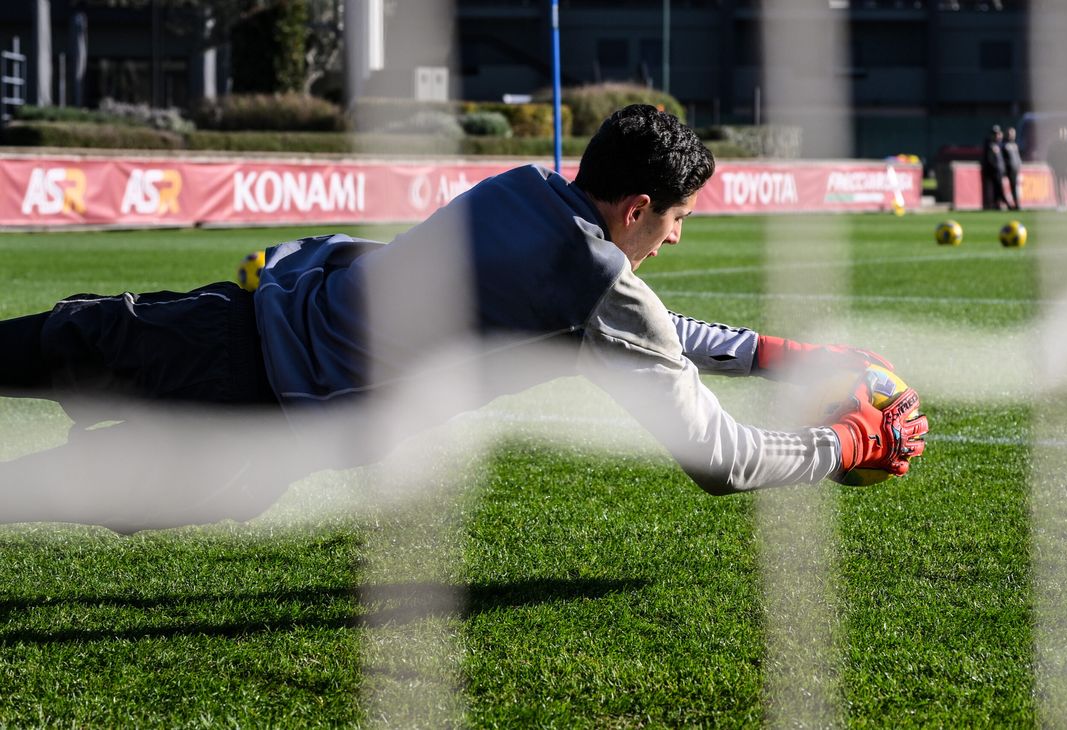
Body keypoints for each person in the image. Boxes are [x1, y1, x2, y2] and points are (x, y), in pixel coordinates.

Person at [0, 105, 927, 531]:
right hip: (262, 418)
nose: (676, 241)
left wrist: (770, 352)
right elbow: (721, 462)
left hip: (220, 318)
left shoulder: (523, 187)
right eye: (678, 219)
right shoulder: (601, 288)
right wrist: (848, 444)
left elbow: (633, 322)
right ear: (639, 206)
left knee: (36, 344)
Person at [1046, 126, 1067, 211]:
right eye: (1060, 132)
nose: (1062, 134)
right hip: (1057, 169)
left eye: (1063, 132)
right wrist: (1053, 167)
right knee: (1059, 188)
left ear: (1066, 133)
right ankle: (1061, 205)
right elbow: (1049, 156)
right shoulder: (1054, 143)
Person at [981, 125, 1007, 210]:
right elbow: (989, 158)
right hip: (991, 171)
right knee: (991, 189)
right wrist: (994, 167)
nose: (996, 135)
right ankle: (991, 205)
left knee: (998, 189)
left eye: (998, 134)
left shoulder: (999, 144)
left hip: (998, 171)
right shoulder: (989, 144)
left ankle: (998, 204)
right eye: (995, 134)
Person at [1002, 126, 1022, 210]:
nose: (1012, 135)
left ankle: (1016, 204)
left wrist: (1019, 165)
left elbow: (1017, 158)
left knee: (1015, 188)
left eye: (1013, 134)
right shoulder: (1004, 145)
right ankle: (1012, 204)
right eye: (1010, 134)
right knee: (1009, 188)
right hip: (1008, 170)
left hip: (1015, 169)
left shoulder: (1014, 145)